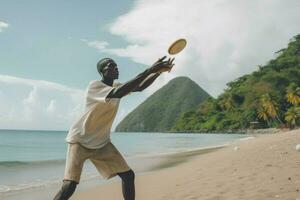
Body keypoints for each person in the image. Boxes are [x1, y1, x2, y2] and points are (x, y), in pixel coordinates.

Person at [53, 56, 175, 200]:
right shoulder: (95, 86)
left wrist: (158, 72)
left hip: (101, 143)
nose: (116, 68)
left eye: (116, 65)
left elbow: (140, 87)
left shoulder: (116, 86)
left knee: (128, 176)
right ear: (102, 71)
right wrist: (150, 69)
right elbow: (119, 93)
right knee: (70, 185)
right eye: (111, 66)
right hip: (79, 140)